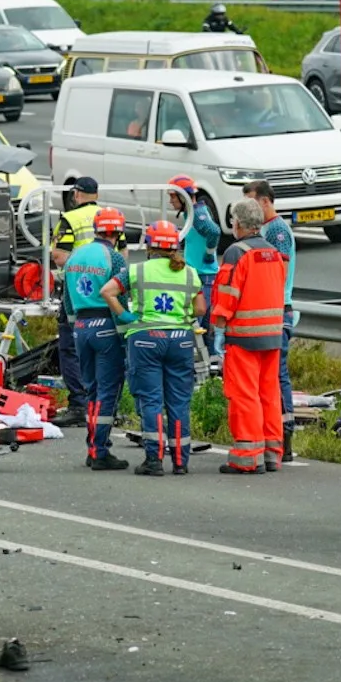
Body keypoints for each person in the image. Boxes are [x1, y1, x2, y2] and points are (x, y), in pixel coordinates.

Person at [104, 218, 204, 476]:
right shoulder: (189, 272)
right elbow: (201, 308)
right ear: (175, 246)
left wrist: (124, 315)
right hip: (181, 340)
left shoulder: (136, 270)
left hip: (145, 338)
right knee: (179, 401)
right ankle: (181, 462)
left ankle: (154, 459)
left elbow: (108, 291)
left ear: (149, 245)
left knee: (151, 401)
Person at [210, 199, 288, 475]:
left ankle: (247, 455)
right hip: (272, 336)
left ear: (239, 223)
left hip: (243, 337)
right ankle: (271, 453)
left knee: (244, 395)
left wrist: (219, 327)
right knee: (269, 393)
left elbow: (227, 295)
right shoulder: (273, 253)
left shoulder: (236, 252)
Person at [63, 205, 132, 469]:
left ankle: (92, 446)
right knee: (108, 390)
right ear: (118, 231)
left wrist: (75, 327)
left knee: (91, 389)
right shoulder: (113, 258)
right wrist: (124, 335)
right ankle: (100, 450)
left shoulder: (75, 255)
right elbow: (120, 296)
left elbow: (67, 300)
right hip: (105, 324)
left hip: (81, 327)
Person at [244, 180, 299, 464]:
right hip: (273, 309)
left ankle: (284, 433)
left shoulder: (276, 230)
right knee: (271, 376)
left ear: (265, 201)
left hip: (277, 309)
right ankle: (276, 434)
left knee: (277, 375)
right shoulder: (267, 229)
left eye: (253, 202)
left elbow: (278, 273)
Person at [48, 177, 104, 425]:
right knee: (104, 347)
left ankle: (79, 404)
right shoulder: (109, 216)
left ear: (77, 194)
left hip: (76, 289)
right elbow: (121, 255)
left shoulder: (69, 219)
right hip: (106, 291)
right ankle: (102, 403)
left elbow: (59, 257)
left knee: (70, 347)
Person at [168, 175, 222, 373]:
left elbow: (214, 232)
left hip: (202, 276)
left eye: (173, 196)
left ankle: (198, 371)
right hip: (199, 275)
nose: (170, 201)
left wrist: (209, 254)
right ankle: (206, 371)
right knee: (203, 328)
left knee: (196, 326)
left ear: (184, 197)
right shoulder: (191, 213)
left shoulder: (198, 214)